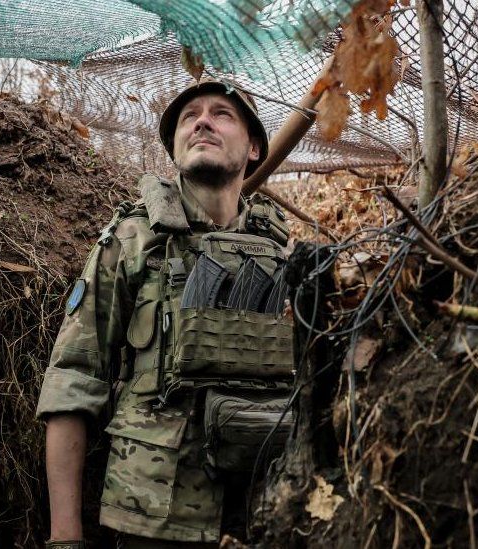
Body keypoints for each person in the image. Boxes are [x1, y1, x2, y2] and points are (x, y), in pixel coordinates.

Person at [36, 79, 295, 549]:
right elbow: (73, 381)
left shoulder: (282, 253)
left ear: (254, 146)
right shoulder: (135, 240)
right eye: (188, 116)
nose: (202, 121)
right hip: (152, 517)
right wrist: (65, 539)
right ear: (174, 146)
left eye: (222, 114)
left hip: (261, 508)